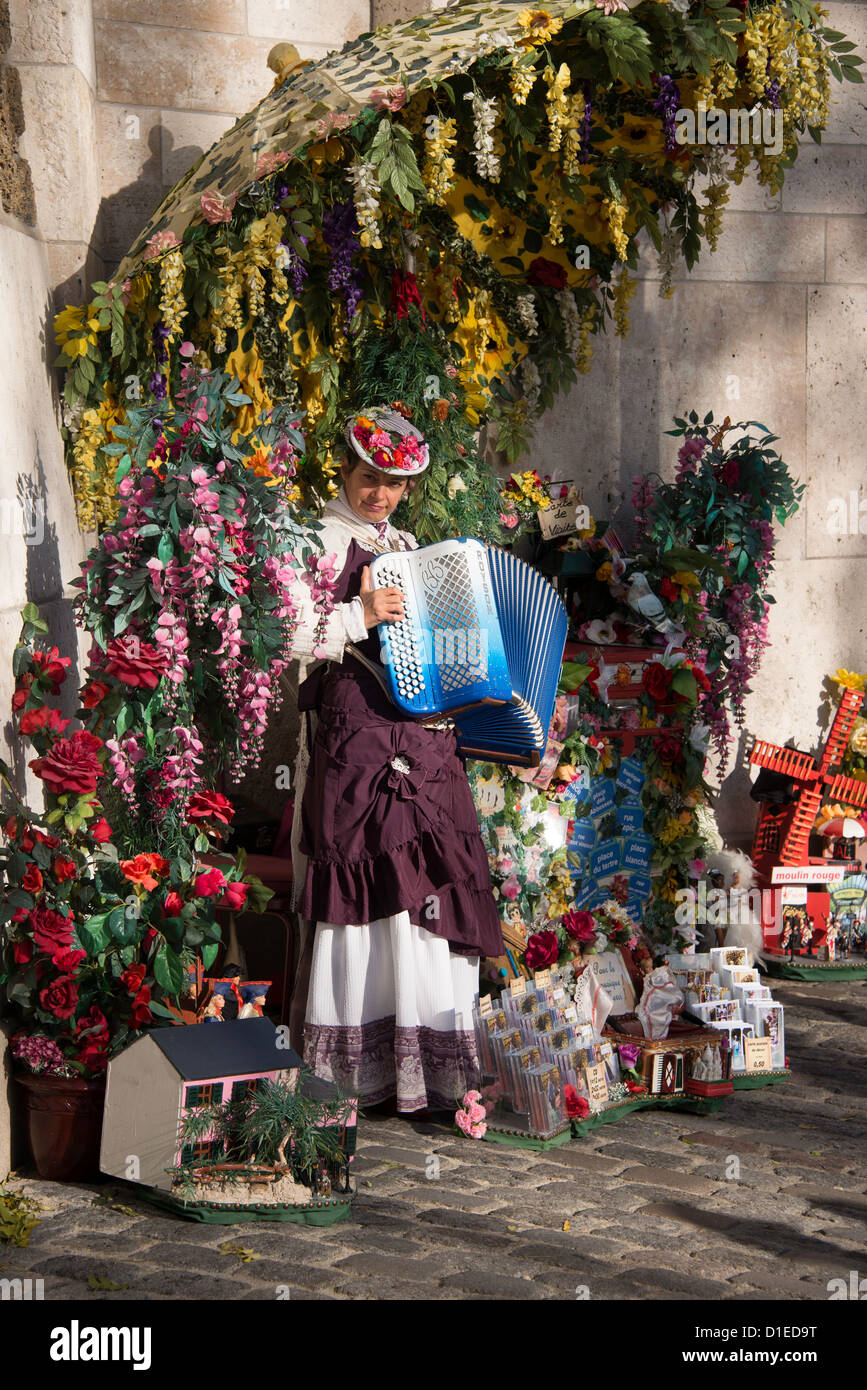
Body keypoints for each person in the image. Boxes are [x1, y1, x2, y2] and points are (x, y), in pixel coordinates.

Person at [285, 407, 504, 1114]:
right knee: (366, 874)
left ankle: (430, 1063)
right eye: (369, 478)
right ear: (344, 471)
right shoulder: (314, 539)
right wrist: (360, 616)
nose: (379, 494)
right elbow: (284, 630)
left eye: (394, 484)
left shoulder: (405, 543)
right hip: (359, 736)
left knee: (433, 876)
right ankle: (358, 1065)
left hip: (424, 734)